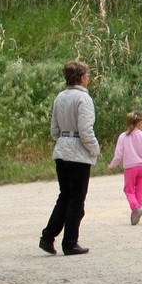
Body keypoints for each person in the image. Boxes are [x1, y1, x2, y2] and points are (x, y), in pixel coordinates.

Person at [40, 60, 99, 255]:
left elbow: (54, 130)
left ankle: (48, 237)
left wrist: (63, 140)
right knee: (76, 200)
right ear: (82, 78)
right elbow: (85, 130)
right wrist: (94, 149)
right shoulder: (83, 99)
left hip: (61, 150)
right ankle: (70, 242)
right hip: (78, 154)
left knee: (65, 196)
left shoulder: (60, 97)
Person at [108, 111, 142, 227]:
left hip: (130, 168)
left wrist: (112, 165)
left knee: (129, 190)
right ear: (140, 123)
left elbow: (118, 155)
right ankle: (136, 212)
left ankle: (135, 209)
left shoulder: (123, 137)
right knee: (140, 190)